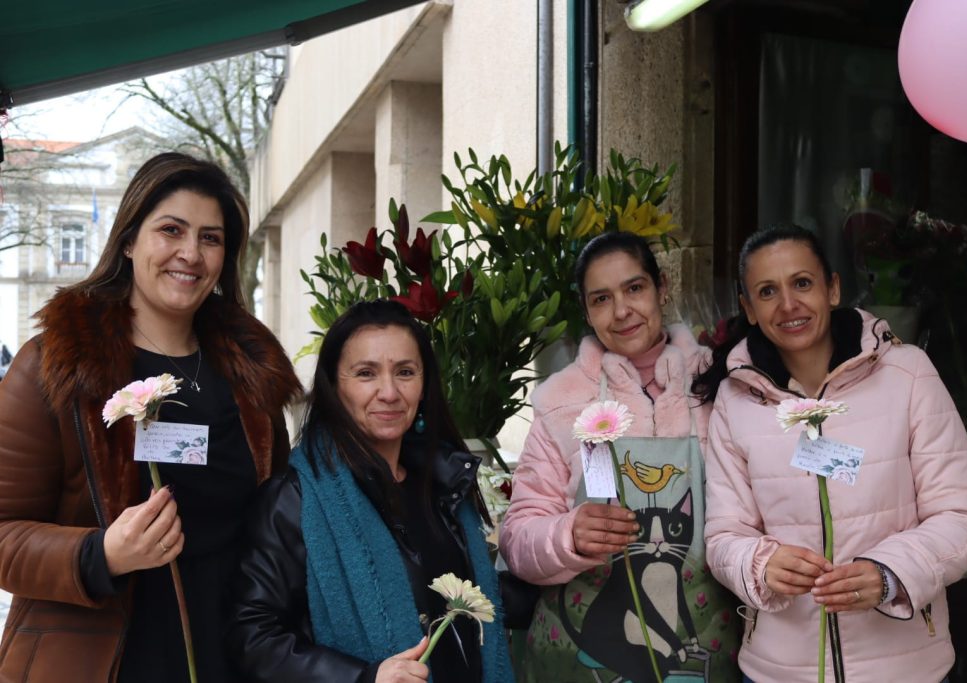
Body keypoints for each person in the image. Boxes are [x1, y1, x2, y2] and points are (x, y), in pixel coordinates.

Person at [0, 152, 302, 682]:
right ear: (128, 241)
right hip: (101, 663)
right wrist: (99, 555)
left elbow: (277, 524)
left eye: (211, 238)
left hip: (232, 657)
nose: (191, 253)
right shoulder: (57, 368)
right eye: (171, 230)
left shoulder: (251, 377)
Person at [693, 224, 967, 683]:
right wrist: (761, 563)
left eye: (802, 283)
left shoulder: (907, 374)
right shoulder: (736, 401)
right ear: (749, 308)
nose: (788, 304)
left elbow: (963, 515)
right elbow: (724, 535)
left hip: (903, 668)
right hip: (779, 671)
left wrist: (890, 573)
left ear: (832, 289)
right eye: (767, 291)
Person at [228, 299, 514, 683]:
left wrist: (560, 551)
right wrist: (362, 677)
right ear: (333, 386)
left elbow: (463, 600)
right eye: (366, 373)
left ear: (425, 384)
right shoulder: (295, 499)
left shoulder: (444, 485)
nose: (389, 392)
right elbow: (252, 638)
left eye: (405, 372)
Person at [500, 231, 742, 683]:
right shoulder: (561, 401)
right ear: (586, 310)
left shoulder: (721, 383)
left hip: (703, 645)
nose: (622, 311)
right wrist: (567, 534)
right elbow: (517, 538)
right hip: (586, 653)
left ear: (662, 287)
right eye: (601, 299)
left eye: (634, 288)